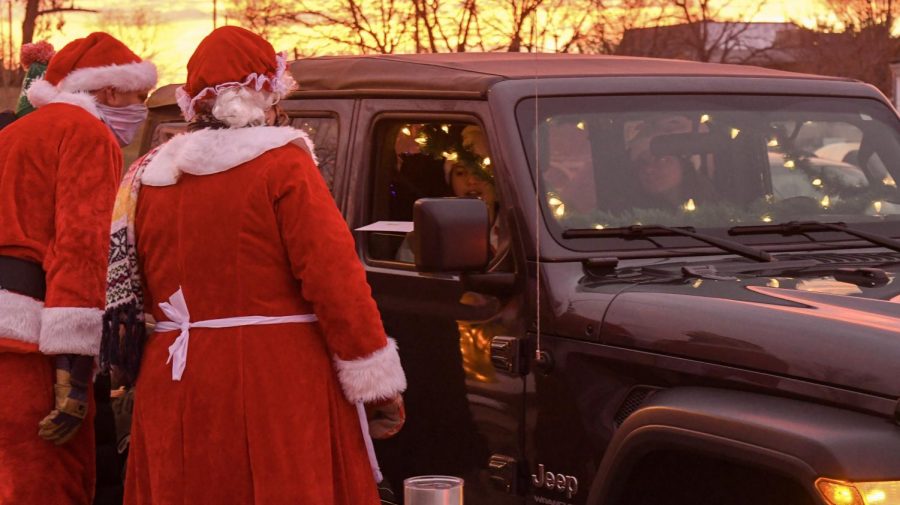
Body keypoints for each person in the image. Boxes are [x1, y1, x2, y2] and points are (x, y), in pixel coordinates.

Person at [101, 26, 407, 505]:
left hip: (175, 378)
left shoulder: (148, 177)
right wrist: (377, 381)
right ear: (263, 94)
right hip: (275, 379)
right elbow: (335, 281)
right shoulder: (282, 165)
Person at [0, 32, 156, 504]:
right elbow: (81, 249)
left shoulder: (12, 134)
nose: (141, 107)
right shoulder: (87, 134)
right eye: (139, 96)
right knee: (48, 480)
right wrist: (73, 369)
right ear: (109, 91)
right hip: (38, 341)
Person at [627, 115, 717, 210]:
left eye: (661, 160)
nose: (648, 169)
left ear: (685, 165)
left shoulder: (716, 215)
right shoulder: (628, 217)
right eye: (642, 162)